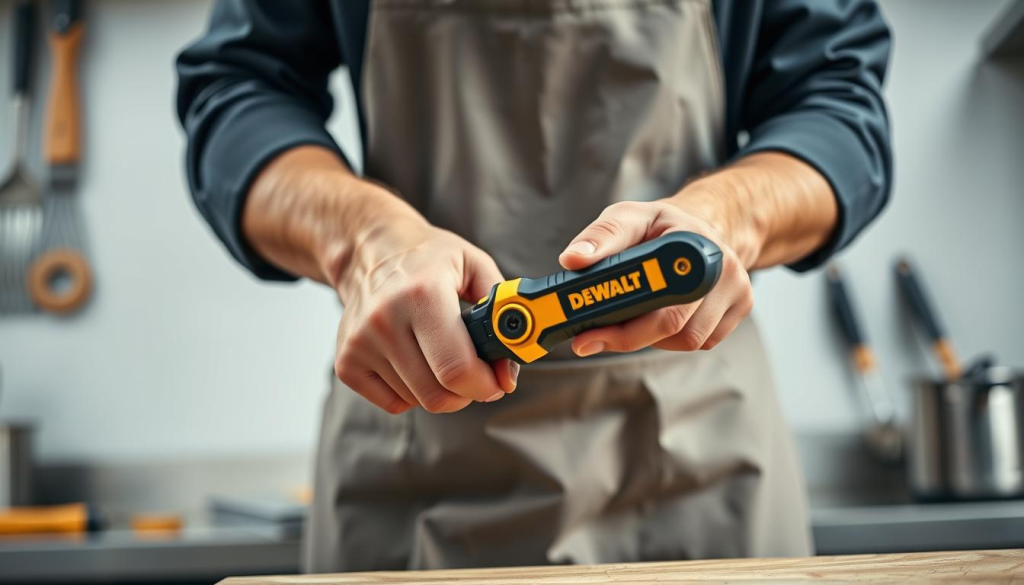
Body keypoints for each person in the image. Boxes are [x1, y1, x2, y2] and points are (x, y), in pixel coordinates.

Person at [176, 0, 892, 572]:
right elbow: (236, 91)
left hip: (700, 472)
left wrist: (730, 216)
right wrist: (363, 239)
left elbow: (838, 103)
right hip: (413, 467)